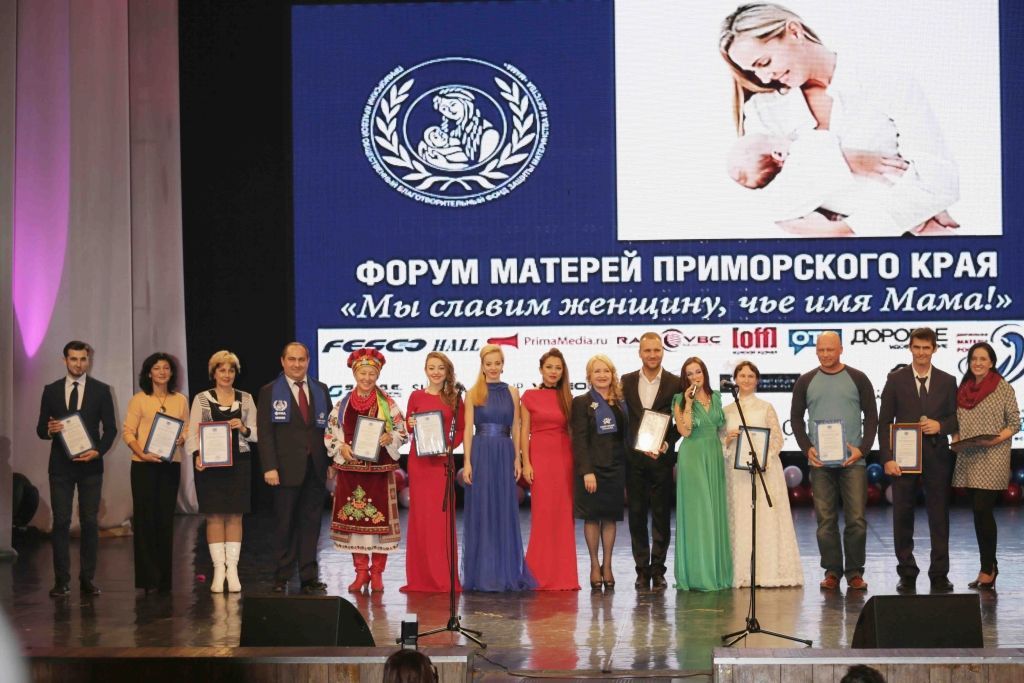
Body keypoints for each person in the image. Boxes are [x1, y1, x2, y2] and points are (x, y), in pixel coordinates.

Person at [719, 3, 959, 237]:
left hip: (914, 245)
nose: (763, 77)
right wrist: (844, 160)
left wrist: (842, 229)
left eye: (764, 63)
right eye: (753, 71)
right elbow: (772, 203)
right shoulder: (763, 110)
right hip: (835, 254)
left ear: (794, 31)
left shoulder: (884, 80)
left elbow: (938, 181)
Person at [726, 130, 957, 237]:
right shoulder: (804, 149)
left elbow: (787, 213)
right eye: (772, 137)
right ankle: (940, 216)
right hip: (894, 183)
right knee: (918, 198)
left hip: (876, 208)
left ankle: (937, 222)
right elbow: (826, 138)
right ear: (778, 153)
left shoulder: (794, 194)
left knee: (921, 226)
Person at [791, 331, 876, 591]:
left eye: (830, 349)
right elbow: (796, 419)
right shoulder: (806, 381)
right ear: (816, 351)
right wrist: (807, 449)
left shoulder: (858, 378)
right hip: (820, 465)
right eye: (821, 350)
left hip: (853, 463)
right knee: (825, 521)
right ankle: (832, 571)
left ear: (841, 349)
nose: (826, 354)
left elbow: (872, 416)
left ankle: (855, 572)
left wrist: (862, 450)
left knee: (856, 520)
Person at [878, 327, 959, 594]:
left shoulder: (948, 381)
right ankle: (907, 572)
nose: (921, 353)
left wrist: (941, 426)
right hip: (903, 459)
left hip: (937, 457)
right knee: (902, 515)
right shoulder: (895, 379)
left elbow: (956, 418)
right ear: (910, 348)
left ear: (934, 349)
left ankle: (939, 574)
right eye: (917, 347)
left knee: (939, 516)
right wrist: (887, 458)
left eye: (926, 348)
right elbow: (884, 422)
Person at [35, 341, 117, 597]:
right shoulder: (51, 390)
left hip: (91, 465)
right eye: (74, 359)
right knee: (61, 522)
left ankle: (87, 580)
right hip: (60, 467)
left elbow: (111, 429)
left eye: (83, 359)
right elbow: (41, 429)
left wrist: (98, 451)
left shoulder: (101, 390)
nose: (79, 364)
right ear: (65, 360)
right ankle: (61, 581)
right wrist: (50, 429)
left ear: (88, 360)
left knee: (90, 522)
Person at [325, 348, 408, 593]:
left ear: (378, 375)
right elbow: (330, 433)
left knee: (380, 526)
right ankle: (361, 572)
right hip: (351, 471)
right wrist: (341, 447)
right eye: (363, 373)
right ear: (355, 374)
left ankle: (377, 573)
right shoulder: (342, 405)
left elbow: (403, 431)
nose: (367, 378)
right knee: (355, 524)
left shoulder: (387, 404)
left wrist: (390, 437)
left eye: (372, 373)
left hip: (379, 472)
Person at [257, 342, 332, 594]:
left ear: (308, 361)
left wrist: (331, 462)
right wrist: (269, 467)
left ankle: (309, 576)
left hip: (316, 467)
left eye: (302, 359)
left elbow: (329, 430)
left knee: (311, 523)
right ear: (282, 361)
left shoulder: (320, 389)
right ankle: (282, 575)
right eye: (292, 359)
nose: (297, 364)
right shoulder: (269, 391)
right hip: (284, 468)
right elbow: (265, 433)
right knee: (285, 523)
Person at [721, 361, 802, 587]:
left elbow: (777, 439)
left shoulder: (766, 407)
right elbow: (720, 441)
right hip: (738, 473)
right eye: (742, 376)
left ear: (757, 380)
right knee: (741, 518)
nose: (746, 380)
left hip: (763, 471)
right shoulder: (727, 411)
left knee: (764, 519)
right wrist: (727, 439)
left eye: (750, 376)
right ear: (735, 379)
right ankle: (742, 572)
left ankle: (767, 572)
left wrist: (764, 460)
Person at [461, 344, 535, 591]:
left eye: (497, 363)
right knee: (482, 511)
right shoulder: (472, 393)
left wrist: (517, 458)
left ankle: (504, 572)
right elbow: (467, 430)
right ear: (482, 366)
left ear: (503, 365)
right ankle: (483, 574)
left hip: (504, 452)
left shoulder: (513, 392)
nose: (493, 368)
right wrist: (467, 462)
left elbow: (516, 427)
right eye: (488, 364)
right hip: (481, 453)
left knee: (503, 510)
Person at [185, 350, 258, 593]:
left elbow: (257, 433)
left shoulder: (246, 398)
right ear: (213, 373)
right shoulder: (202, 399)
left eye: (231, 370)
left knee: (235, 516)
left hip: (240, 462)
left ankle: (232, 570)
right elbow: (192, 434)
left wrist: (244, 428)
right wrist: (198, 455)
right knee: (214, 516)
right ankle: (218, 570)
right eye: (222, 370)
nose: (227, 375)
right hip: (211, 464)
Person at [951, 342, 1018, 590]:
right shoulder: (963, 389)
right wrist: (956, 439)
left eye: (983, 359)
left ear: (991, 362)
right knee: (978, 515)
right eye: (974, 359)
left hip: (993, 456)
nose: (978, 363)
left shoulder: (1002, 387)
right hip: (969, 457)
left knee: (982, 510)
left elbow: (1015, 423)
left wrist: (995, 440)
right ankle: (988, 567)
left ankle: (988, 569)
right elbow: (956, 422)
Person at [123, 352, 189, 594]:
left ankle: (163, 580)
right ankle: (147, 579)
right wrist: (142, 453)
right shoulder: (139, 400)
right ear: (149, 373)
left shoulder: (180, 400)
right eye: (157, 368)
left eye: (166, 368)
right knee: (144, 521)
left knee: (165, 521)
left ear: (172, 373)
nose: (162, 372)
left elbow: (187, 428)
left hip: (170, 465)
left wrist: (182, 438)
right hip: (143, 465)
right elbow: (128, 432)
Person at [621, 332, 680, 591]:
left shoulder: (675, 383)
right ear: (640, 353)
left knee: (661, 517)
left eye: (657, 350)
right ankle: (642, 570)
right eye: (648, 350)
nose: (652, 355)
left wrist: (665, 445)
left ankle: (658, 569)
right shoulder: (625, 381)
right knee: (636, 517)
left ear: (663, 351)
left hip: (661, 461)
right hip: (634, 461)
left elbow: (682, 422)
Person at [401, 352, 465, 592]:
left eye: (440, 368)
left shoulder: (455, 398)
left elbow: (461, 429)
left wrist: (450, 446)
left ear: (447, 371)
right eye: (431, 368)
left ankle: (442, 577)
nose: (436, 372)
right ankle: (420, 579)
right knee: (421, 519)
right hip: (419, 463)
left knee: (441, 520)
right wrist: (409, 424)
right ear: (425, 370)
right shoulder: (415, 396)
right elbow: (409, 427)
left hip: (441, 464)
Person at [521, 348, 579, 590]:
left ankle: (564, 575)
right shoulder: (529, 396)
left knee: (563, 516)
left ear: (563, 371)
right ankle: (539, 573)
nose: (553, 372)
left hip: (564, 459)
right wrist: (526, 463)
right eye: (549, 367)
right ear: (541, 369)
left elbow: (574, 432)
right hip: (539, 458)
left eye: (558, 368)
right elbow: (524, 431)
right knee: (543, 515)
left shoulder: (569, 398)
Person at [673, 356, 731, 591]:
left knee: (714, 512)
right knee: (699, 513)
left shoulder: (716, 396)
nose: (694, 377)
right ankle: (698, 574)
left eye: (698, 372)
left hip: (713, 454)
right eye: (689, 374)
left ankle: (716, 572)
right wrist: (688, 403)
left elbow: (719, 426)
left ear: (704, 373)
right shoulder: (679, 399)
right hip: (693, 456)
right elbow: (685, 431)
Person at [571, 354, 628, 591]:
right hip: (592, 470)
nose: (602, 375)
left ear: (612, 374)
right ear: (589, 376)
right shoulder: (581, 402)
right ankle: (595, 565)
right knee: (593, 517)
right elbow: (579, 439)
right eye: (597, 371)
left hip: (616, 468)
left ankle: (608, 565)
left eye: (606, 371)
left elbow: (626, 436)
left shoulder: (621, 402)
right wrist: (587, 471)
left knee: (610, 518)